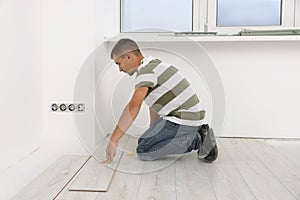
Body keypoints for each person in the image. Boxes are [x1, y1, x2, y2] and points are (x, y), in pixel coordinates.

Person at [103, 38, 218, 163]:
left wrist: (114, 139)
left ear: (128, 56)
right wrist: (153, 131)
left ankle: (199, 139)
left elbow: (133, 106)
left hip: (182, 120)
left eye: (118, 63)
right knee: (144, 141)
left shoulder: (145, 72)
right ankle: (197, 131)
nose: (120, 69)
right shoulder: (152, 65)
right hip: (187, 118)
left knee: (144, 151)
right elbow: (155, 103)